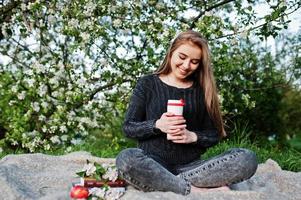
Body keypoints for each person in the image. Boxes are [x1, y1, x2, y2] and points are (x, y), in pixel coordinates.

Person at [116, 30, 257, 195]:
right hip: (153, 163)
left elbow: (213, 135)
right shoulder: (147, 84)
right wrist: (157, 125)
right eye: (182, 57)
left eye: (194, 61)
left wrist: (193, 136)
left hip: (193, 168)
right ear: (171, 53)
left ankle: (170, 183)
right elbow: (128, 127)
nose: (186, 66)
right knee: (126, 159)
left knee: (247, 158)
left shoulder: (202, 90)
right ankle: (194, 190)